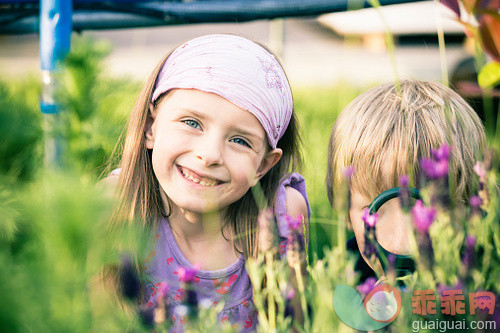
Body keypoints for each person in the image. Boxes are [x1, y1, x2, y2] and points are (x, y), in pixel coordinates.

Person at [107, 34, 310, 331]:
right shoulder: (116, 207)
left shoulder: (281, 217)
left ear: (264, 165)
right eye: (191, 122)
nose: (210, 154)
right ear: (151, 127)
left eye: (239, 140)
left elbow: (296, 324)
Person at [326, 80, 486, 279]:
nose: (402, 243)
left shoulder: (488, 278)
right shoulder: (343, 282)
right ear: (347, 215)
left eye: (430, 208)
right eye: (373, 211)